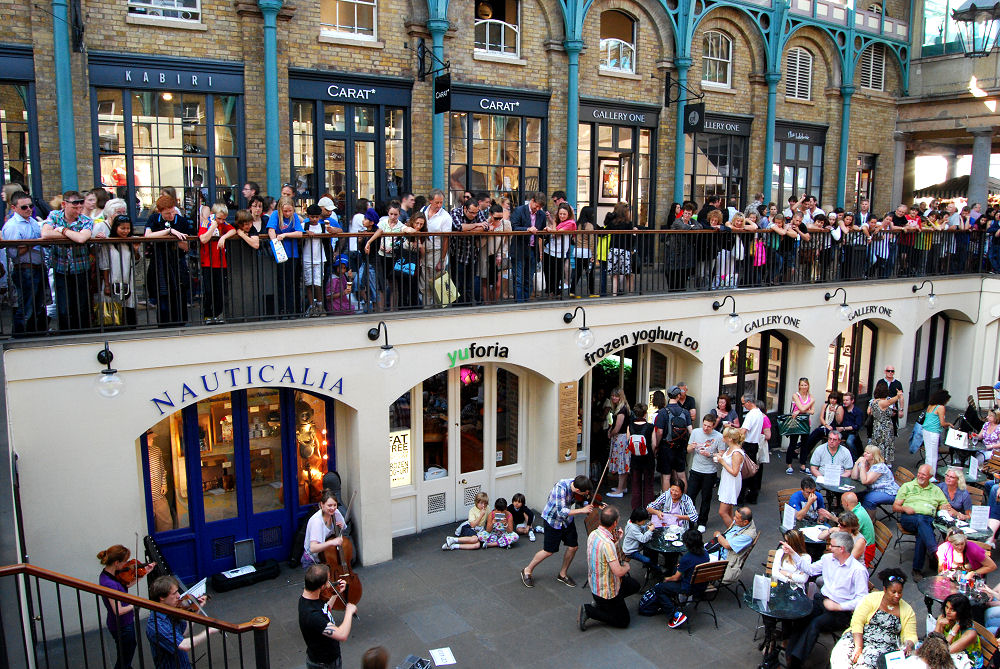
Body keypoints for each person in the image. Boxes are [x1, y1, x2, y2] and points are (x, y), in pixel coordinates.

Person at [781, 531, 870, 669]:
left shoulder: (858, 570)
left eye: (832, 545)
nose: (829, 548)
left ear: (842, 549)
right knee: (802, 616)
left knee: (816, 624)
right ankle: (788, 654)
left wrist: (839, 607)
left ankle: (796, 663)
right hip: (822, 600)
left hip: (841, 612)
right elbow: (809, 570)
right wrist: (793, 553)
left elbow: (862, 599)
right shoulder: (828, 559)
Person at [828, 568, 917, 669]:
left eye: (900, 592)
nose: (897, 595)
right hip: (859, 637)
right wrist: (858, 646)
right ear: (884, 589)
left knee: (865, 665)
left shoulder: (907, 610)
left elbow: (911, 635)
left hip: (884, 646)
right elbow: (857, 621)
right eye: (893, 592)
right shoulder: (870, 598)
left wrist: (909, 645)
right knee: (840, 656)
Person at [521, 474, 594, 588]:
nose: (586, 495)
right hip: (553, 520)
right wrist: (582, 510)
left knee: (573, 547)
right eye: (584, 493)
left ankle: (562, 574)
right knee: (548, 551)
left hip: (567, 521)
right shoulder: (560, 488)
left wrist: (598, 504)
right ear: (578, 490)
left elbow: (587, 497)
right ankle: (527, 570)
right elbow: (561, 511)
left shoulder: (578, 484)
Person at [578, 506, 640, 630]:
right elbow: (618, 571)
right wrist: (627, 567)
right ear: (615, 523)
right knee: (623, 621)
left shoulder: (594, 533)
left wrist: (616, 540)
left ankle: (604, 605)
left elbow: (606, 553)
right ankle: (589, 610)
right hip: (606, 590)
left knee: (634, 586)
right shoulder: (607, 544)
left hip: (595, 582)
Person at [41, 190, 93, 331]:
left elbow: (82, 238)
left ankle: (83, 333)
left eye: (80, 207)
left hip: (80, 268)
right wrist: (73, 235)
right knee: (63, 306)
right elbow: (45, 233)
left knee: (82, 305)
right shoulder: (54, 215)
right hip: (60, 267)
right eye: (74, 207)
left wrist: (62, 230)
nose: (78, 210)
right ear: (64, 204)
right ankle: (66, 333)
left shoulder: (86, 220)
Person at [894, 464, 957, 579]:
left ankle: (917, 569)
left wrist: (944, 508)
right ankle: (935, 552)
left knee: (922, 533)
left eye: (924, 474)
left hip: (927, 520)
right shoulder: (908, 486)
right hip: (910, 518)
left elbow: (944, 505)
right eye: (919, 473)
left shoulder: (936, 490)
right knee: (921, 520)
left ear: (930, 477)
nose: (920, 476)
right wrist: (904, 508)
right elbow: (895, 507)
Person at [98, 544, 154, 669]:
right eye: (124, 562)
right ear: (117, 563)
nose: (126, 565)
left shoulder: (111, 575)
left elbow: (125, 585)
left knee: (127, 651)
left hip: (124, 623)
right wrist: (136, 603)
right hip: (121, 625)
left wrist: (144, 572)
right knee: (125, 657)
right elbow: (118, 610)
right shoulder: (109, 583)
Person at [146, 575, 217, 668]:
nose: (179, 596)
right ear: (162, 598)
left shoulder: (170, 611)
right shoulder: (156, 624)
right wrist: (209, 631)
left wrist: (197, 609)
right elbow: (185, 645)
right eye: (174, 593)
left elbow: (183, 632)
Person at [145, 194, 193, 327]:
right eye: (167, 214)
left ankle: (180, 323)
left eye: (172, 212)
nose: (171, 216)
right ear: (160, 212)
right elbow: (147, 236)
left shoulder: (182, 221)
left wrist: (175, 239)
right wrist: (168, 232)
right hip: (159, 262)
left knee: (179, 293)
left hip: (177, 261)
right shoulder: (154, 219)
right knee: (162, 295)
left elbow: (186, 246)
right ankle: (164, 325)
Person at [2, 190, 46, 335]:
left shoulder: (32, 221)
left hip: (38, 267)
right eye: (24, 207)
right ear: (14, 208)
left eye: (30, 206)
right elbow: (13, 253)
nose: (29, 209)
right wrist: (32, 243)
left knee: (38, 306)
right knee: (26, 307)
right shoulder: (13, 225)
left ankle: (35, 334)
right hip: (25, 269)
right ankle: (20, 337)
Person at [650, 528, 710, 630]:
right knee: (674, 570)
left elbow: (676, 577)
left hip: (688, 587)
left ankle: (675, 615)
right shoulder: (705, 554)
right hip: (701, 585)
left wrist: (667, 579)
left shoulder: (687, 558)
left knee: (659, 588)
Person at [299, 564, 356, 669]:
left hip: (330, 659)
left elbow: (325, 610)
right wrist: (349, 612)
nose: (330, 584)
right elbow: (342, 635)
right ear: (321, 587)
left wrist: (335, 593)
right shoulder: (312, 616)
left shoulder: (309, 597)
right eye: (328, 581)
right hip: (324, 664)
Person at [98, 214, 139, 327]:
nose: (125, 231)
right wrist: (106, 285)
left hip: (127, 278)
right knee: (112, 306)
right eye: (122, 228)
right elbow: (104, 264)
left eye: (128, 228)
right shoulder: (108, 243)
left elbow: (136, 260)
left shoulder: (132, 241)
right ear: (115, 228)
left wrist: (135, 250)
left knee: (128, 304)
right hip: (113, 278)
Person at [267, 196, 304, 316]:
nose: (288, 213)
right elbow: (271, 230)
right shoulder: (275, 215)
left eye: (290, 210)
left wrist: (285, 235)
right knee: (281, 281)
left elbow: (299, 233)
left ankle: (292, 309)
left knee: (291, 281)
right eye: (285, 211)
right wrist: (275, 244)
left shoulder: (294, 217)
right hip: (280, 253)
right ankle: (283, 309)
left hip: (293, 253)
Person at [687, 414, 724, 532]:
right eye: (704, 425)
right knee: (690, 496)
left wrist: (711, 455)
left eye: (709, 426)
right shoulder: (696, 432)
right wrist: (692, 447)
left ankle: (702, 521)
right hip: (695, 469)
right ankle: (689, 520)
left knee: (706, 497)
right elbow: (688, 449)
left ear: (713, 426)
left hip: (710, 471)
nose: (705, 428)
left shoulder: (719, 437)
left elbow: (721, 455)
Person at [198, 203, 234, 324]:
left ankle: (217, 314)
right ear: (213, 215)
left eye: (223, 219)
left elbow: (233, 230)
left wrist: (223, 237)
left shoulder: (223, 224)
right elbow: (203, 239)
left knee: (220, 291)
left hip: (221, 263)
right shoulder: (206, 223)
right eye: (219, 218)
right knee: (208, 290)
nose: (221, 221)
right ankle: (208, 315)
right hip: (207, 263)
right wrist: (212, 227)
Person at [509, 191, 546, 302]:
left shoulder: (542, 215)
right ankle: (519, 303)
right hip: (519, 249)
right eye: (536, 206)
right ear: (532, 201)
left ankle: (526, 301)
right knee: (519, 278)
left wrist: (545, 231)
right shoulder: (519, 210)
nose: (537, 209)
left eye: (540, 207)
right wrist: (527, 229)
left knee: (529, 278)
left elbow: (541, 232)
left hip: (532, 250)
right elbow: (514, 227)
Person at [934, 593, 984, 669]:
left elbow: (944, 651)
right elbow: (934, 643)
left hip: (968, 663)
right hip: (952, 658)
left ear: (961, 612)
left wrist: (954, 630)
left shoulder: (970, 633)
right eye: (946, 607)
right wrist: (938, 625)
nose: (948, 612)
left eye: (952, 610)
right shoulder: (944, 619)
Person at [302, 489, 347, 567]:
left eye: (335, 505)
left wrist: (341, 528)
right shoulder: (317, 521)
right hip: (313, 560)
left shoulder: (335, 512)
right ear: (322, 505)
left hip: (326, 556)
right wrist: (332, 542)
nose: (332, 508)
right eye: (329, 505)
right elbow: (313, 548)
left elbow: (344, 528)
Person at [801, 392, 845, 465]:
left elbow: (839, 421)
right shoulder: (825, 405)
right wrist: (826, 425)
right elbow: (821, 417)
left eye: (834, 399)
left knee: (816, 433)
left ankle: (801, 448)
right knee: (815, 437)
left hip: (833, 429)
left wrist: (836, 412)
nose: (832, 400)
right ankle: (804, 452)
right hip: (824, 426)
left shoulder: (839, 407)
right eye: (831, 398)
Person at [715, 426, 746, 527]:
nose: (722, 437)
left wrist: (722, 461)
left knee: (722, 512)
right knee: (729, 510)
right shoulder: (730, 448)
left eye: (725, 436)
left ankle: (733, 532)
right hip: (727, 480)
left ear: (730, 438)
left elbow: (735, 472)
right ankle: (732, 530)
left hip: (731, 482)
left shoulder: (736, 452)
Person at [739, 393, 766, 504]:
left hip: (748, 444)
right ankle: (752, 496)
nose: (743, 406)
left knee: (744, 472)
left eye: (743, 403)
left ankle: (741, 498)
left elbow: (743, 431)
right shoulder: (760, 413)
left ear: (749, 402)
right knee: (752, 470)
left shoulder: (751, 415)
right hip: (755, 444)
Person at [628, 402, 655, 510]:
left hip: (635, 459)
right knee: (648, 486)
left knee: (635, 485)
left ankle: (636, 510)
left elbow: (628, 442)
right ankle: (648, 510)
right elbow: (654, 444)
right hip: (648, 459)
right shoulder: (650, 427)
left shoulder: (630, 426)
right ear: (645, 413)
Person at [854, 445, 899, 510]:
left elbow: (864, 481)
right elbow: (854, 477)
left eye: (868, 453)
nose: (864, 454)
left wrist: (862, 465)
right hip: (875, 489)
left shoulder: (879, 466)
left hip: (889, 492)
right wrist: (857, 462)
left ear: (873, 456)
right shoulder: (867, 463)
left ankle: (870, 519)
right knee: (857, 494)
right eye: (865, 452)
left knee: (869, 499)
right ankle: (859, 515)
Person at [786, 378, 816, 474]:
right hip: (796, 423)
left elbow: (812, 411)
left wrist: (799, 411)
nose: (804, 387)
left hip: (806, 423)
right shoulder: (796, 395)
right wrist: (810, 403)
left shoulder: (810, 396)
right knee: (793, 443)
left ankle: (803, 465)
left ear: (808, 386)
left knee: (805, 444)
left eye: (805, 385)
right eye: (802, 385)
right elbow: (802, 407)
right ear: (799, 386)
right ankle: (789, 465)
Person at [606, 387, 631, 498]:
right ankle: (623, 487)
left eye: (616, 396)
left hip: (621, 439)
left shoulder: (621, 410)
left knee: (622, 464)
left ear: (621, 397)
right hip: (620, 438)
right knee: (622, 464)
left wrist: (611, 433)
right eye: (612, 395)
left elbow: (618, 427)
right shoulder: (621, 408)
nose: (614, 397)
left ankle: (619, 490)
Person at [923, 390, 954, 470]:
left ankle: (927, 471)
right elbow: (942, 423)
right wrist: (949, 424)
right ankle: (931, 475)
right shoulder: (941, 407)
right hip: (934, 432)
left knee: (928, 454)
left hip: (926, 430)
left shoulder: (930, 406)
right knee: (933, 455)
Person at [874, 365, 905, 436]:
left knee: (892, 428)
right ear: (885, 372)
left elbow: (901, 397)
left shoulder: (898, 383)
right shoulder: (880, 382)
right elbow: (876, 395)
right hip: (881, 408)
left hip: (893, 409)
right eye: (888, 371)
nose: (890, 372)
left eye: (892, 371)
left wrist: (901, 409)